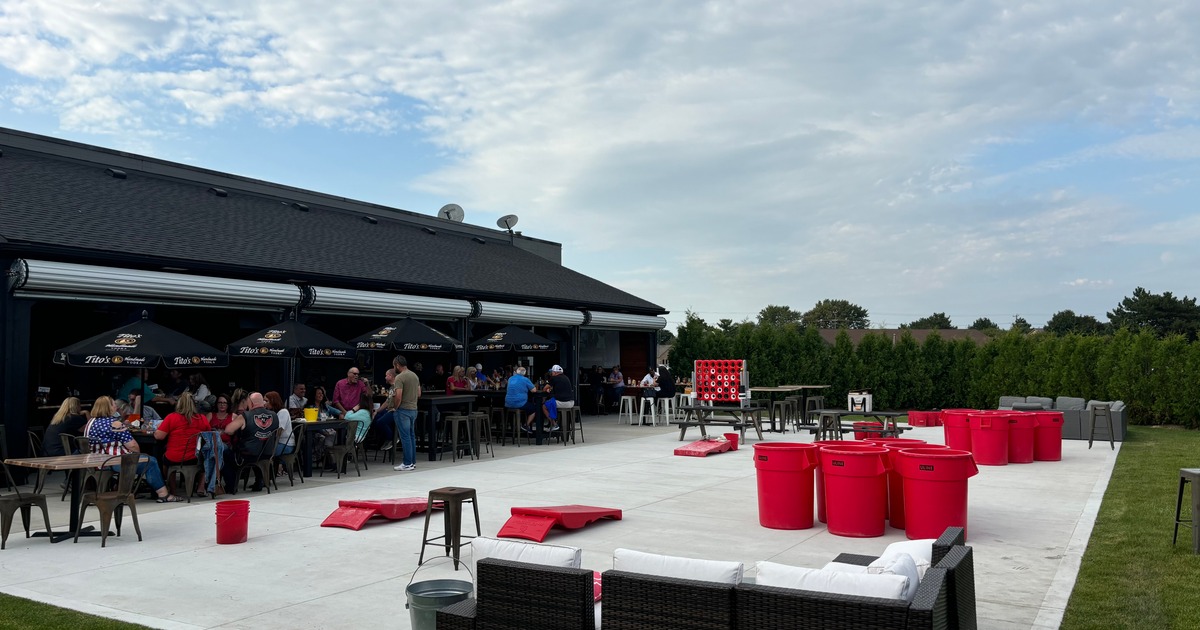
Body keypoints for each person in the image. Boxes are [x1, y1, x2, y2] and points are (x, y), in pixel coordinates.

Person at [84, 396, 183, 503]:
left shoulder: (91, 422)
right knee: (151, 461)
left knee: (144, 459)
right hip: (115, 462)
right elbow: (133, 446)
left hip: (97, 461)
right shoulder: (114, 423)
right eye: (113, 404)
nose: (116, 406)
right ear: (107, 407)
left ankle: (125, 489)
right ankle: (163, 494)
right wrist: (139, 453)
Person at [154, 392, 212, 496]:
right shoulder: (202, 418)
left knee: (164, 460)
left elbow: (159, 436)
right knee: (206, 457)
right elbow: (208, 435)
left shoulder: (172, 417)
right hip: (195, 457)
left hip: (174, 457)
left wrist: (158, 427)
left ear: (178, 404)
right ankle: (200, 487)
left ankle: (171, 489)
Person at [221, 392, 279, 492]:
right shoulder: (274, 415)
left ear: (251, 403)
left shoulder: (245, 416)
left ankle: (231, 486)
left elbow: (228, 430)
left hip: (247, 455)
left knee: (225, 453)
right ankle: (259, 481)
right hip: (268, 453)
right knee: (259, 446)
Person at [391, 354, 421, 472]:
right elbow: (419, 393)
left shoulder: (399, 377)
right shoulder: (414, 376)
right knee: (411, 436)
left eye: (394, 365)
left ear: (397, 365)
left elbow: (398, 395)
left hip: (403, 409)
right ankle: (412, 462)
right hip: (414, 409)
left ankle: (407, 463)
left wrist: (395, 407)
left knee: (405, 437)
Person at [505, 366, 538, 433]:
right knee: (534, 409)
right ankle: (526, 425)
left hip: (508, 403)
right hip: (520, 403)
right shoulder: (525, 379)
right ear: (524, 373)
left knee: (526, 407)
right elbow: (534, 390)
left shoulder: (510, 378)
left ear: (516, 372)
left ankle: (513, 429)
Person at [543, 365, 574, 431]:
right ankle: (555, 423)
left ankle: (554, 424)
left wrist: (548, 389)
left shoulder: (554, 378)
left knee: (544, 406)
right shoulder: (566, 377)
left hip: (563, 402)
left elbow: (544, 388)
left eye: (552, 372)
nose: (551, 373)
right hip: (571, 402)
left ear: (555, 372)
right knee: (551, 403)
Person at [265, 391, 295, 458]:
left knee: (264, 453)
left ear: (272, 401)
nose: (265, 403)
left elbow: (279, 431)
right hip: (280, 444)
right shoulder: (273, 413)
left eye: (266, 401)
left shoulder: (283, 412)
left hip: (285, 444)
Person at [374, 369, 397, 450]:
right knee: (376, 417)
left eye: (386, 375)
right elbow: (387, 402)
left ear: (391, 376)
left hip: (396, 411)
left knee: (380, 422)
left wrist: (395, 408)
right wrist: (377, 411)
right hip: (389, 409)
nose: (385, 377)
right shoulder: (391, 388)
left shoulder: (398, 386)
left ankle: (392, 438)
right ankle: (380, 440)